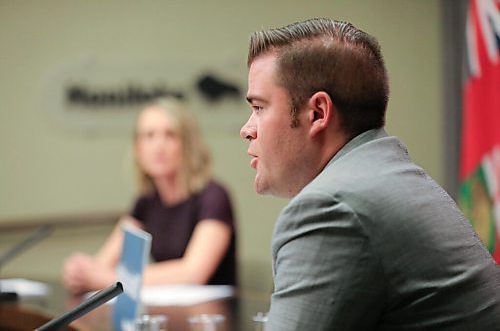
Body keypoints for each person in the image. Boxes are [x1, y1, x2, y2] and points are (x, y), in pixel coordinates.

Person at [240, 18, 500, 330]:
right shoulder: (390, 176)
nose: (247, 130)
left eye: (259, 107)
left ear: (318, 113)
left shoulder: (332, 209)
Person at [63, 97, 237, 294]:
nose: (158, 145)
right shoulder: (146, 201)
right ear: (138, 148)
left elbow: (194, 273)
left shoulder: (214, 196)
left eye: (170, 135)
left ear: (188, 144)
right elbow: (102, 262)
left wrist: (110, 279)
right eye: (149, 135)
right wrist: (81, 272)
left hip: (212, 318)